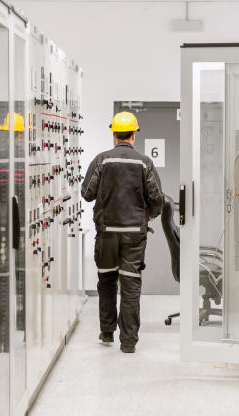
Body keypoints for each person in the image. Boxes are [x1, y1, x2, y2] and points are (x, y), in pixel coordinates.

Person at [81, 111, 165, 353]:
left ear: (114, 133)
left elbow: (87, 194)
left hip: (106, 233)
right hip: (134, 234)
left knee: (106, 281)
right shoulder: (144, 162)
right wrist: (151, 213)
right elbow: (157, 197)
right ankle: (128, 343)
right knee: (130, 285)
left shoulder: (101, 160)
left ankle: (107, 332)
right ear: (134, 135)